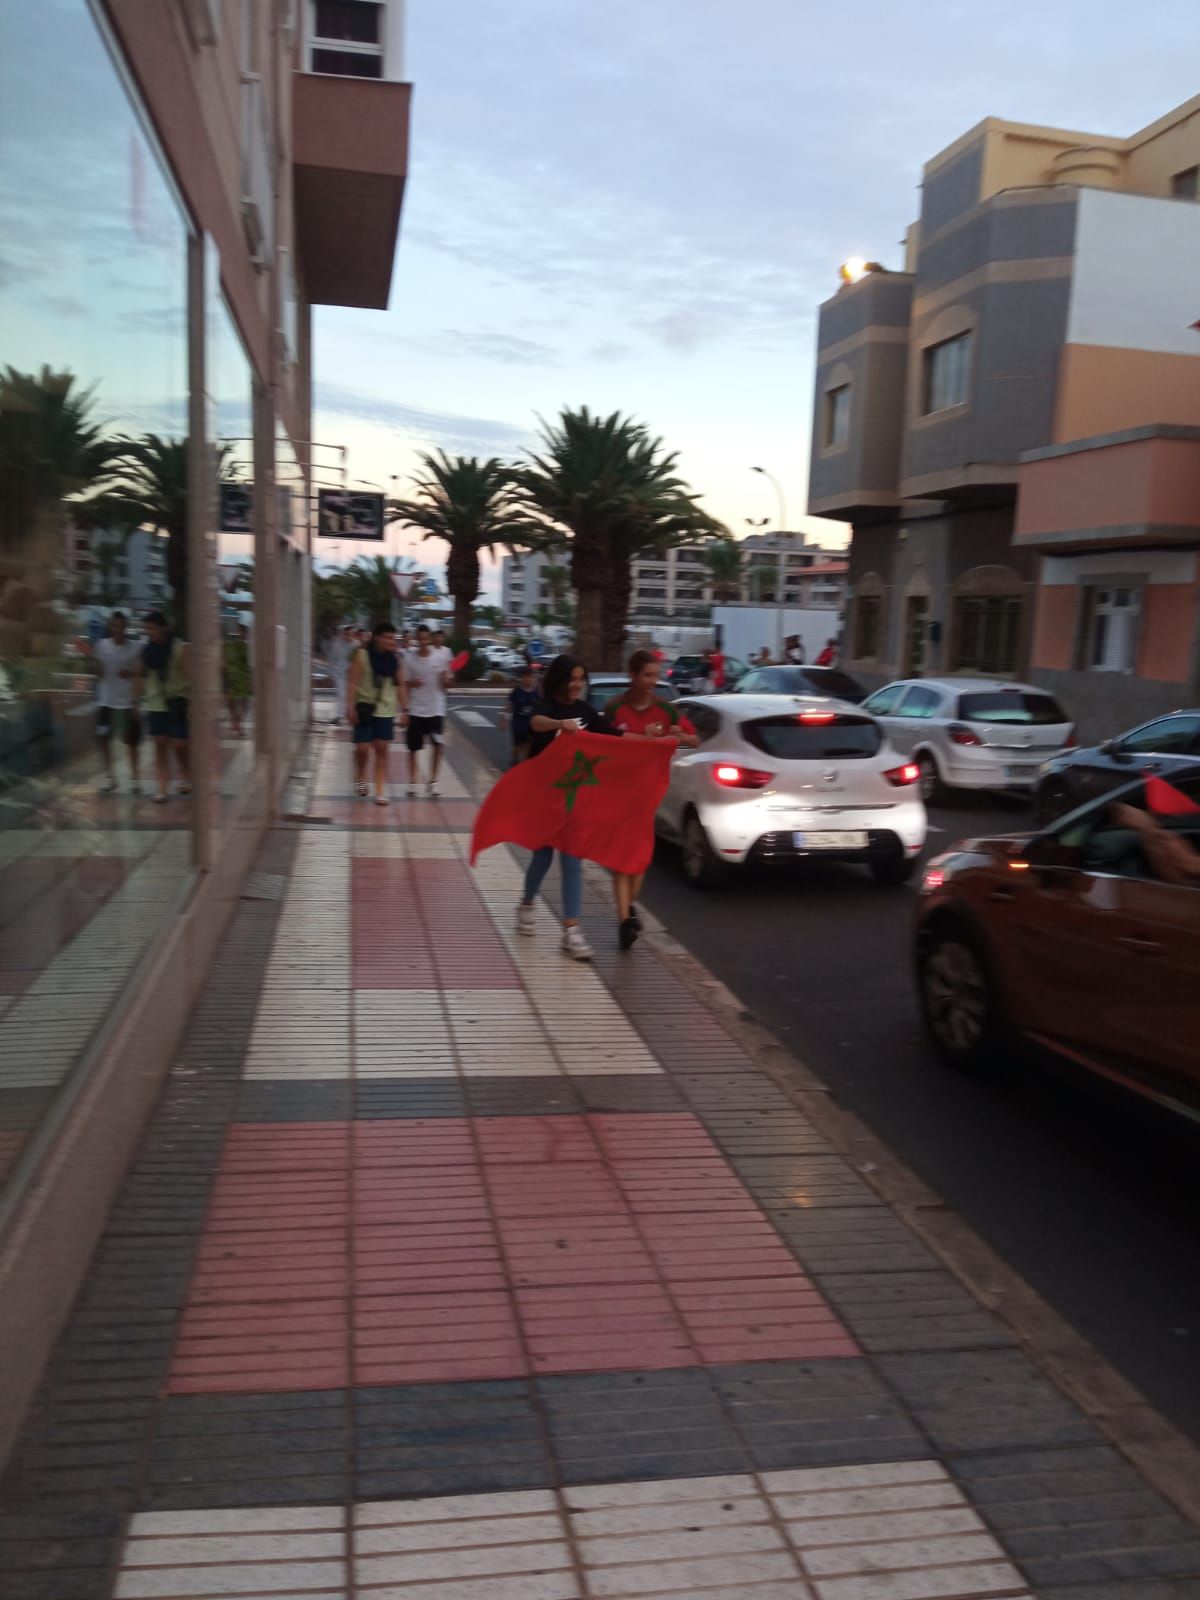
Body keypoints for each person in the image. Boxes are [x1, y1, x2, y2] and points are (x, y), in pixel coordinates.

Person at [515, 654, 626, 960]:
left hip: (574, 796)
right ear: (560, 680)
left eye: (581, 679)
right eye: (571, 678)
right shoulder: (548, 706)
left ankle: (571, 931)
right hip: (543, 796)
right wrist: (559, 725)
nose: (577, 684)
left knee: (572, 859)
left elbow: (616, 736)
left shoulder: (585, 712)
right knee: (543, 855)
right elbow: (535, 723)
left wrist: (654, 740)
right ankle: (526, 902)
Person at [604, 649, 699, 948]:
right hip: (618, 792)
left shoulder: (667, 710)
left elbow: (694, 739)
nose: (652, 681)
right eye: (647, 675)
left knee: (640, 861)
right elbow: (602, 743)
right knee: (622, 859)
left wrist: (678, 736)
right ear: (632, 675)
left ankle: (628, 908)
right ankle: (623, 921)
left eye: (656, 675)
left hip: (648, 793)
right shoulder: (614, 708)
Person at [347, 621, 406, 805]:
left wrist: (406, 710)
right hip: (364, 707)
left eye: (393, 638)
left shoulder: (395, 661)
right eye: (388, 637)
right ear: (378, 638)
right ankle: (361, 776)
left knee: (382, 750)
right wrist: (350, 705)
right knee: (362, 749)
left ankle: (380, 791)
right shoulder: (362, 656)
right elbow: (353, 682)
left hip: (385, 710)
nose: (392, 641)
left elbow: (401, 685)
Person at [138, 611, 190, 804]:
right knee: (160, 743)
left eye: (152, 628)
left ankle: (185, 773)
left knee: (179, 744)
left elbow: (191, 676)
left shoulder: (180, 648)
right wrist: (135, 700)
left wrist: (193, 703)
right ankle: (162, 787)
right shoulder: (146, 652)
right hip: (156, 702)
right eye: (146, 629)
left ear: (163, 628)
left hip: (177, 699)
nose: (149, 632)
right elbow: (140, 676)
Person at [93, 611, 142, 794]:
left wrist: (135, 699)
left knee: (131, 742)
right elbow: (98, 673)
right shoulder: (101, 646)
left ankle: (135, 778)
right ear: (110, 627)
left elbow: (139, 673)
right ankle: (110, 777)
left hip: (127, 702)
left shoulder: (135, 647)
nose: (118, 630)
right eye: (115, 626)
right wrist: (93, 658)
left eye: (122, 626)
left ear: (126, 627)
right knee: (104, 739)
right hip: (106, 701)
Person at [404, 622, 450, 796]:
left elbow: (446, 683)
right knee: (413, 748)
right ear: (416, 639)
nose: (422, 641)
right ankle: (412, 782)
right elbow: (405, 684)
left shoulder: (440, 657)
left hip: (436, 709)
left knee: (438, 745)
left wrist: (446, 681)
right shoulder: (409, 659)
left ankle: (433, 781)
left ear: (430, 639)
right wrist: (411, 685)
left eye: (425, 638)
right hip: (416, 709)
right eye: (420, 638)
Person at [502, 663, 539, 765]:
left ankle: (525, 765)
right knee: (517, 746)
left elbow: (540, 707)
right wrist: (504, 719)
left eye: (531, 677)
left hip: (530, 725)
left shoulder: (536, 692)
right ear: (522, 678)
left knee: (528, 745)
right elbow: (509, 705)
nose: (529, 680)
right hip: (518, 724)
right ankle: (514, 761)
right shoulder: (517, 691)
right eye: (526, 677)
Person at [223, 623, 252, 738]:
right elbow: (224, 661)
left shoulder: (247, 648)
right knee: (232, 703)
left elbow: (250, 665)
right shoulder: (229, 646)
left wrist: (251, 679)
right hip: (231, 678)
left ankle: (238, 723)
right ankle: (236, 723)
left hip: (243, 678)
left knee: (244, 704)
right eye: (240, 632)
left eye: (243, 632)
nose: (241, 634)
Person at [327, 625, 356, 726]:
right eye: (346, 634)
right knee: (341, 694)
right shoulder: (337, 645)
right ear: (343, 634)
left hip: (351, 674)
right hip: (339, 674)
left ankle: (346, 715)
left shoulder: (355, 645)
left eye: (350, 633)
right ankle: (338, 716)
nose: (348, 636)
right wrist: (331, 673)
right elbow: (332, 659)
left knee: (350, 695)